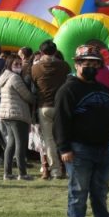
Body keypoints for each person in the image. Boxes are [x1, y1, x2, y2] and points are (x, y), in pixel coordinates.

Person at [54, 45, 109, 217]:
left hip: (103, 148)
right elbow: (60, 121)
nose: (91, 67)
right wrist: (64, 148)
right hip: (79, 149)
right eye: (86, 63)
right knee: (78, 191)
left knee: (100, 192)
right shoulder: (68, 90)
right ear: (77, 64)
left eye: (95, 64)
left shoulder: (102, 89)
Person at [32, 39, 71, 180]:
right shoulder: (64, 66)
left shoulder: (35, 68)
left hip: (44, 107)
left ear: (41, 52)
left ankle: (55, 171)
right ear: (55, 51)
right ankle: (68, 168)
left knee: (48, 140)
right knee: (64, 137)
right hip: (61, 106)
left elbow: (34, 86)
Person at [0, 54, 34, 181]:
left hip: (6, 114)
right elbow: (27, 96)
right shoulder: (15, 78)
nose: (18, 66)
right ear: (9, 65)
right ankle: (22, 173)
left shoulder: (4, 77)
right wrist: (36, 98)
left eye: (19, 64)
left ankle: (7, 173)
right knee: (20, 143)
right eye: (16, 64)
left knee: (11, 143)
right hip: (17, 113)